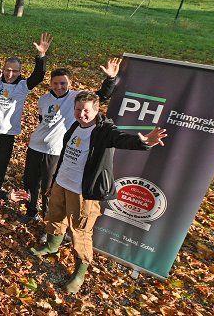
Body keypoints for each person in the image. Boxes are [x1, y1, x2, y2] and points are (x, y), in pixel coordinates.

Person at [29, 91, 167, 293]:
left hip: (83, 192)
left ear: (96, 110)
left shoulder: (104, 131)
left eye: (86, 110)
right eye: (78, 109)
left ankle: (79, 272)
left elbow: (121, 139)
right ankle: (52, 245)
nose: (81, 114)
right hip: (61, 183)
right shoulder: (75, 126)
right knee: (55, 217)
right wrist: (53, 181)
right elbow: (66, 155)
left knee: (81, 232)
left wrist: (143, 142)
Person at [20, 59, 119, 224]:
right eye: (55, 83)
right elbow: (42, 121)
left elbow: (102, 95)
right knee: (30, 183)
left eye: (63, 83)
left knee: (49, 188)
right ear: (50, 83)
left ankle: (48, 219)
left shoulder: (76, 97)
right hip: (35, 147)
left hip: (55, 151)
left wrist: (110, 79)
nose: (59, 87)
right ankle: (31, 212)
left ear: (70, 83)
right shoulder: (43, 100)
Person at [0, 31, 50, 187]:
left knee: (1, 168)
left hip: (8, 135)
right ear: (3, 69)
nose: (10, 74)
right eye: (8, 70)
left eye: (15, 71)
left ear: (20, 72)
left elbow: (39, 75)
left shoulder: (23, 85)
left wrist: (41, 55)